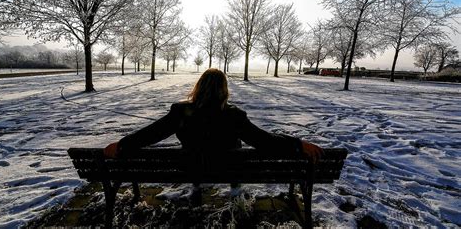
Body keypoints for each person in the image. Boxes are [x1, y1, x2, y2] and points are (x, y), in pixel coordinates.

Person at [104, 68, 323, 162]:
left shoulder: (181, 112)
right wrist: (297, 144)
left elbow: (151, 134)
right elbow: (264, 141)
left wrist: (122, 144)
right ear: (224, 90)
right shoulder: (235, 116)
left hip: (190, 168)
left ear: (198, 87)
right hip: (229, 168)